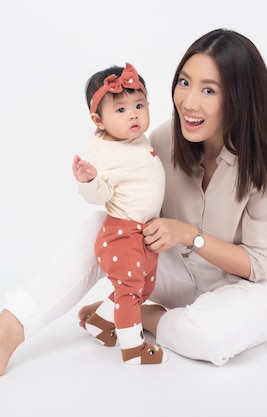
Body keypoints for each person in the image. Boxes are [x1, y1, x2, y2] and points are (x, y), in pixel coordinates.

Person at [0, 28, 267, 377]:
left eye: (209, 90)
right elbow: (116, 186)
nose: (189, 102)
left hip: (248, 285)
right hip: (176, 267)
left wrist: (188, 235)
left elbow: (257, 265)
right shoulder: (165, 139)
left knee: (207, 338)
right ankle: (2, 335)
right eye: (184, 82)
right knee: (100, 225)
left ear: (240, 98)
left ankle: (132, 313)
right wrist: (93, 180)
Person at [72, 62, 167, 364]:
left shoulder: (132, 139)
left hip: (142, 234)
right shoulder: (106, 153)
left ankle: (101, 321)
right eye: (121, 110)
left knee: (145, 286)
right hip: (122, 235)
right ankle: (133, 348)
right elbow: (102, 194)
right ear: (98, 120)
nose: (134, 115)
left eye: (139, 105)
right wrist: (90, 180)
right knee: (129, 291)